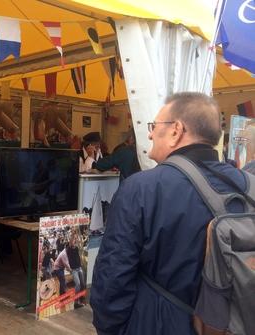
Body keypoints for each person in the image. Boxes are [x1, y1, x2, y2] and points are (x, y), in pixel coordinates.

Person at [89, 92, 247, 335]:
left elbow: (112, 279)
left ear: (176, 130)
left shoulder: (141, 188)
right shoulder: (248, 187)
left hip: (157, 324)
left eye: (154, 126)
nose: (150, 133)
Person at [65, 232, 85, 308]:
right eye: (74, 239)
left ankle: (81, 298)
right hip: (74, 270)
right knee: (78, 284)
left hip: (79, 268)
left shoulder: (76, 248)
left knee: (83, 284)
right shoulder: (68, 249)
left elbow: (78, 256)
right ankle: (76, 302)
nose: (75, 240)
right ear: (70, 240)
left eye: (75, 239)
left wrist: (80, 263)